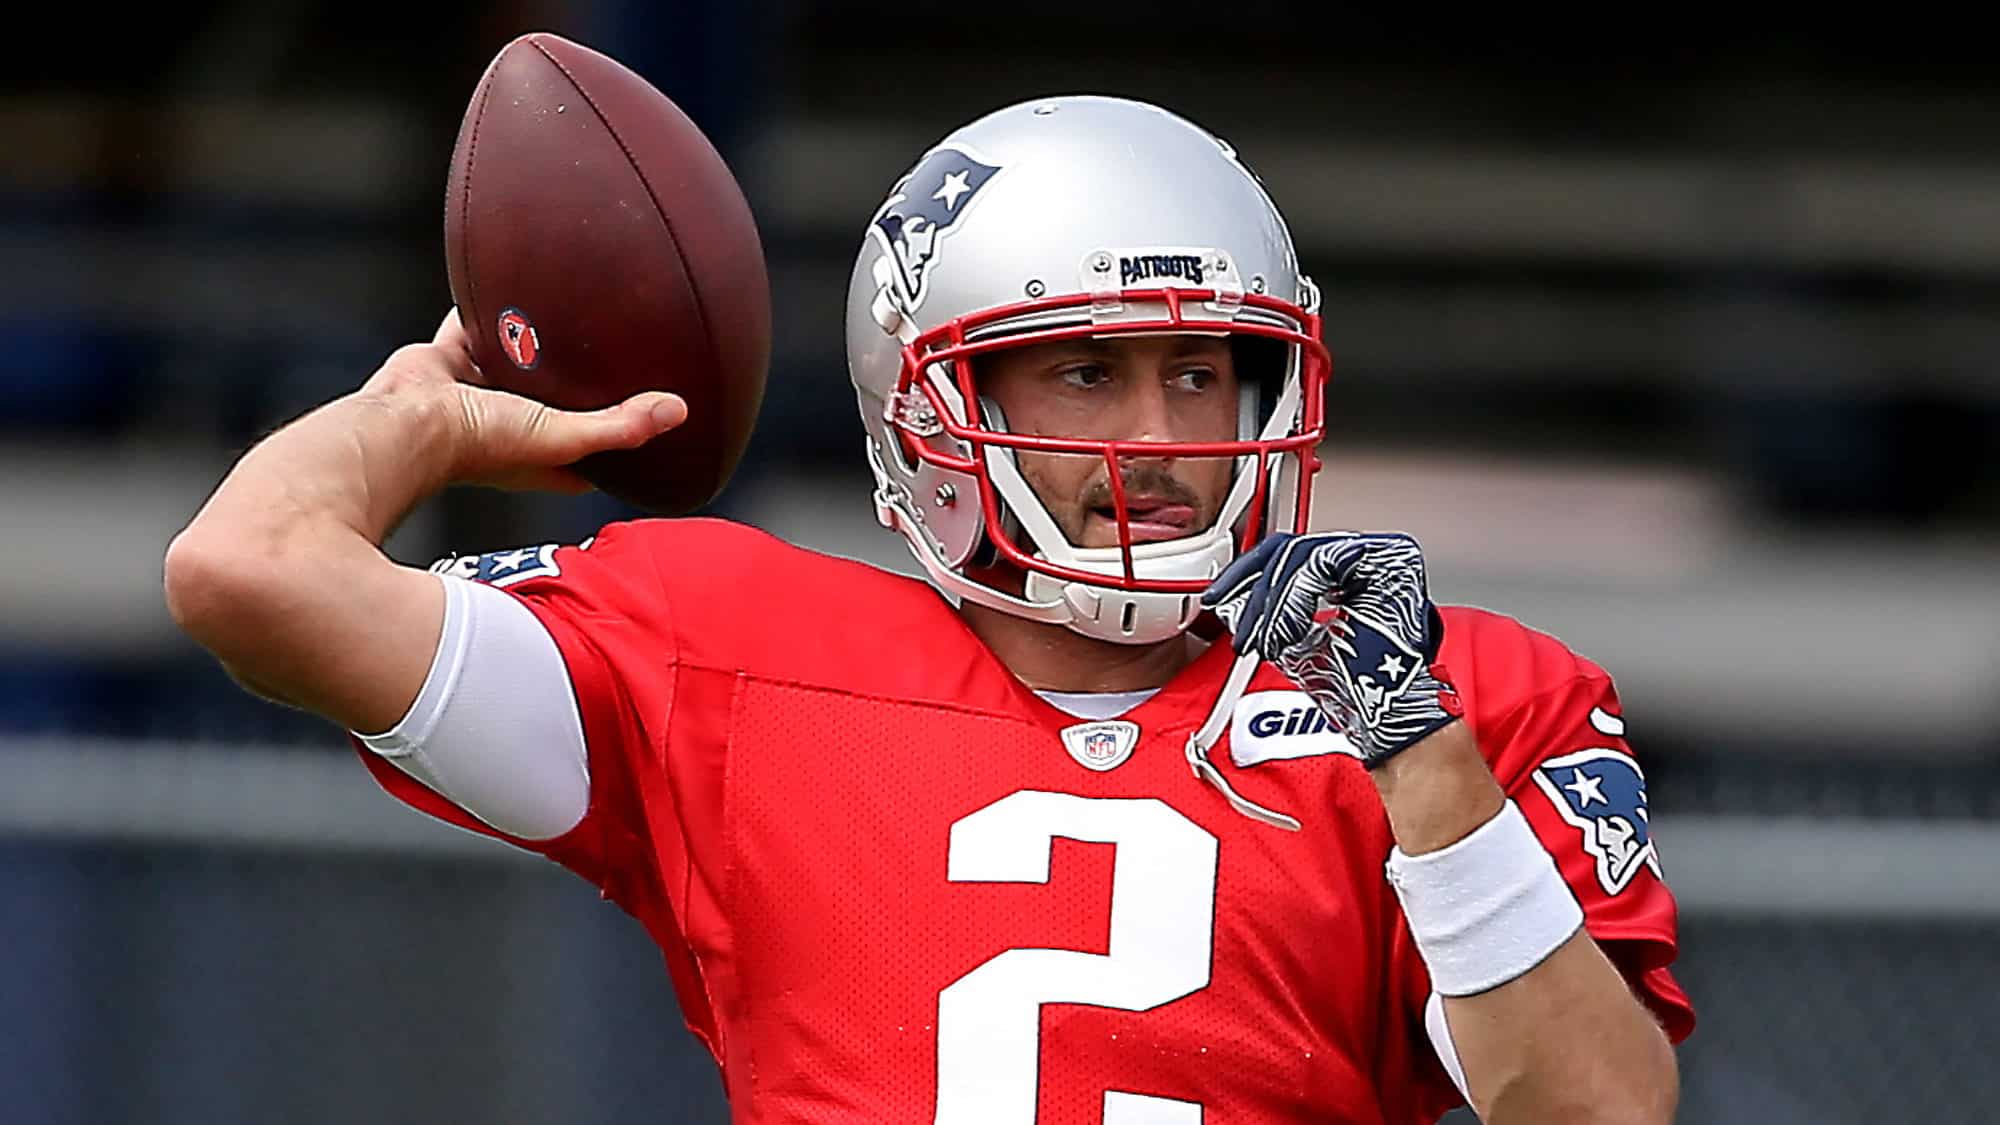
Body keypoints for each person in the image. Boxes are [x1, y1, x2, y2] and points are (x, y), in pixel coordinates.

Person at [165, 94, 1692, 1123]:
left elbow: (1603, 1115)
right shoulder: (722, 653)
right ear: (931, 406)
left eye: (1203, 369)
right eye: (1086, 369)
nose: (1162, 442)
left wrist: (1426, 758)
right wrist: (424, 415)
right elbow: (252, 570)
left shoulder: (1454, 695)